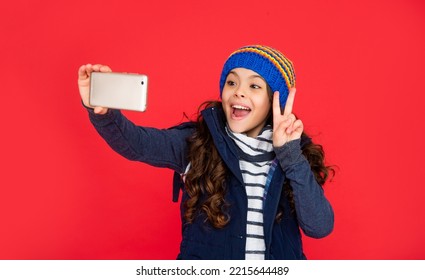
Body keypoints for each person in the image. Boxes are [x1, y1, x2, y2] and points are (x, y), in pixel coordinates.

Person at [78, 45, 334, 260]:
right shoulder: (197, 143)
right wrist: (104, 113)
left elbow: (319, 226)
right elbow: (136, 144)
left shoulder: (293, 154)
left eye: (254, 86)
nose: (239, 91)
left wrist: (289, 154)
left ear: (275, 101)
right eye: (231, 82)